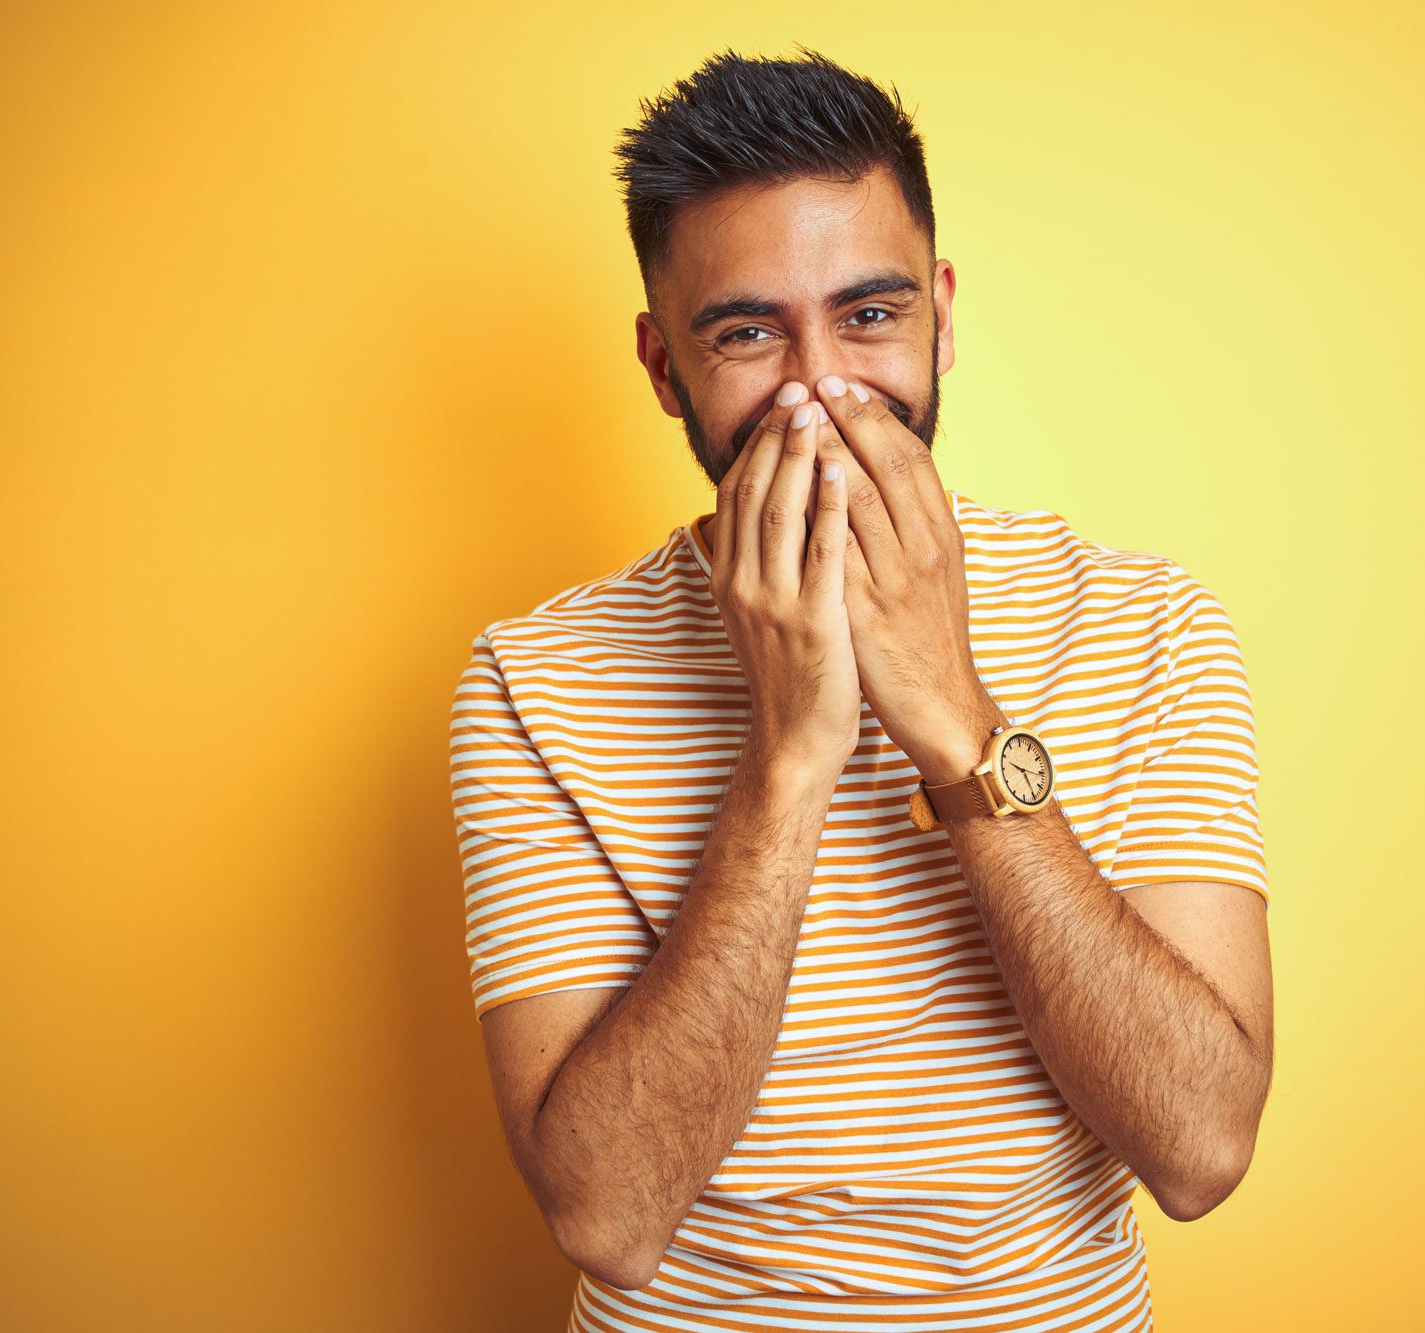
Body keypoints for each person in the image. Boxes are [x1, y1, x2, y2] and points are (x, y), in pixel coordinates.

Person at [448, 45, 1274, 1333]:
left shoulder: (1144, 622)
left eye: (870, 315)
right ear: (664, 368)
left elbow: (1202, 1149)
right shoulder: (535, 678)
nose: (819, 388)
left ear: (941, 315)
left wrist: (955, 721)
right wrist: (788, 763)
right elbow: (608, 1218)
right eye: (745, 333)